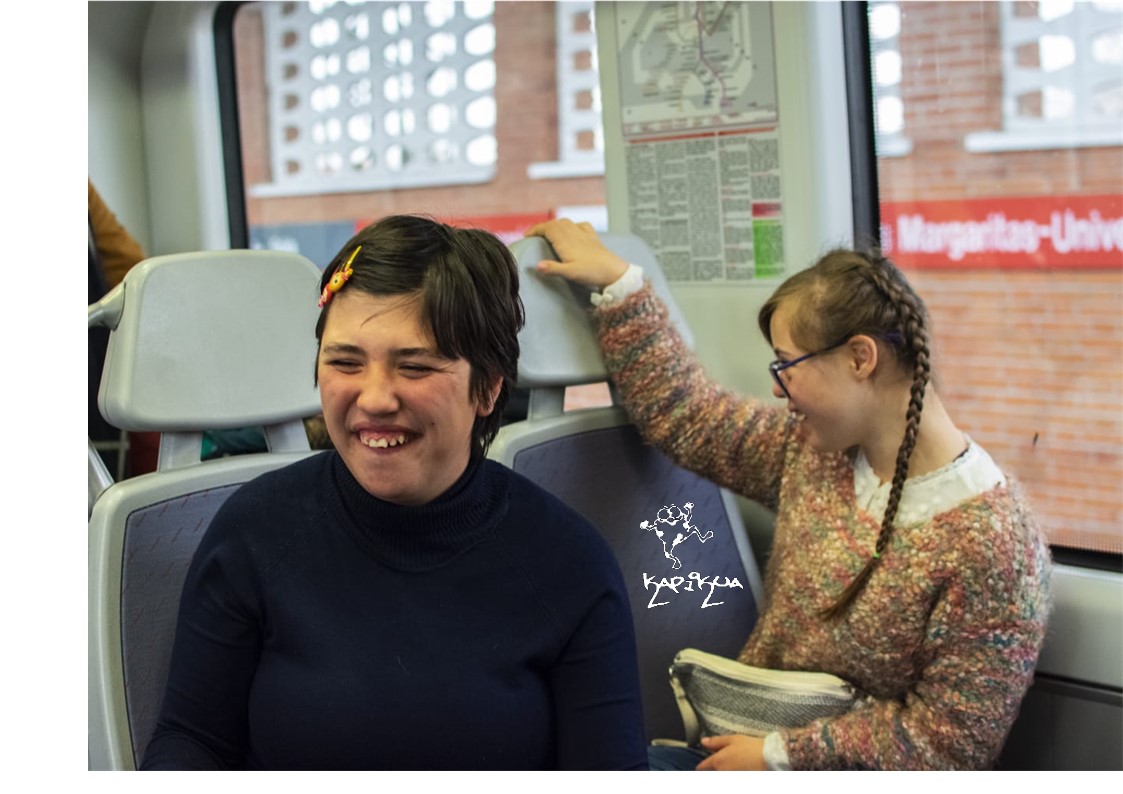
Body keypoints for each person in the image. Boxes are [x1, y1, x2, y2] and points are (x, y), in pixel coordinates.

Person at [525, 218, 1051, 771]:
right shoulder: (819, 453)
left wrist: (780, 756)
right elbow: (690, 415)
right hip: (752, 745)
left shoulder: (993, 543)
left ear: (860, 358)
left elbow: (949, 745)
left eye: (788, 365)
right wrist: (621, 286)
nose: (777, 388)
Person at [140, 215, 649, 771]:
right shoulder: (253, 532)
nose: (375, 399)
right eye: (345, 362)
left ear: (487, 387)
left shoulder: (570, 564)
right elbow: (193, 740)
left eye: (415, 366)